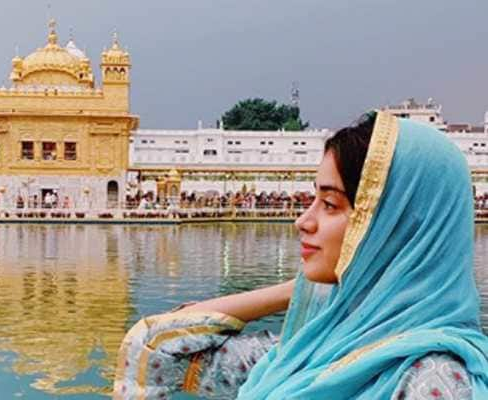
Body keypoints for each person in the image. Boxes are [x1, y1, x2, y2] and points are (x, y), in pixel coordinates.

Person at [114, 112, 488, 399]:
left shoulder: (432, 380)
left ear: (394, 228)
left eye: (329, 204)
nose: (302, 221)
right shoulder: (312, 353)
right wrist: (296, 289)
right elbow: (153, 345)